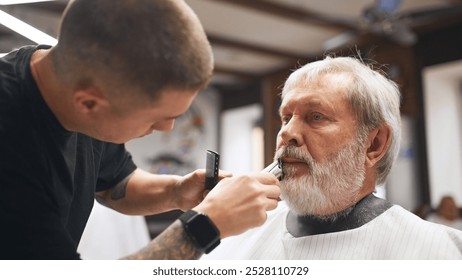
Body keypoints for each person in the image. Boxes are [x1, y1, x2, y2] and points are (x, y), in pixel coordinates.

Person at [0, 0, 280, 260]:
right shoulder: (12, 149)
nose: (165, 128)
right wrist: (205, 225)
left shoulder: (79, 93)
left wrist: (176, 191)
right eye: (155, 118)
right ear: (88, 102)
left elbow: (117, 183)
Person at [202, 56, 462, 260]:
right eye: (286, 117)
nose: (287, 132)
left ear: (374, 144)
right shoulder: (236, 231)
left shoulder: (439, 253)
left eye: (316, 116)